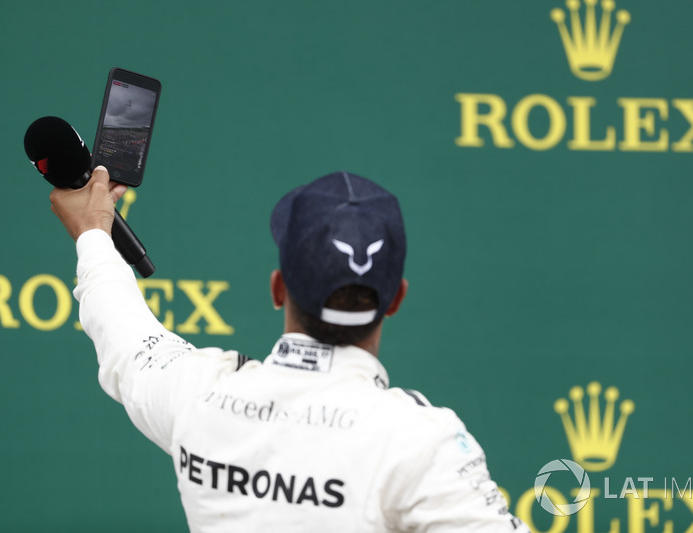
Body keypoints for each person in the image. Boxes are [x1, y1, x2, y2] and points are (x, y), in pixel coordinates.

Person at [49, 167, 530, 532]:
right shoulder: (421, 442)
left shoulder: (197, 394)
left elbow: (123, 333)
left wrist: (94, 233)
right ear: (397, 299)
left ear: (278, 289)